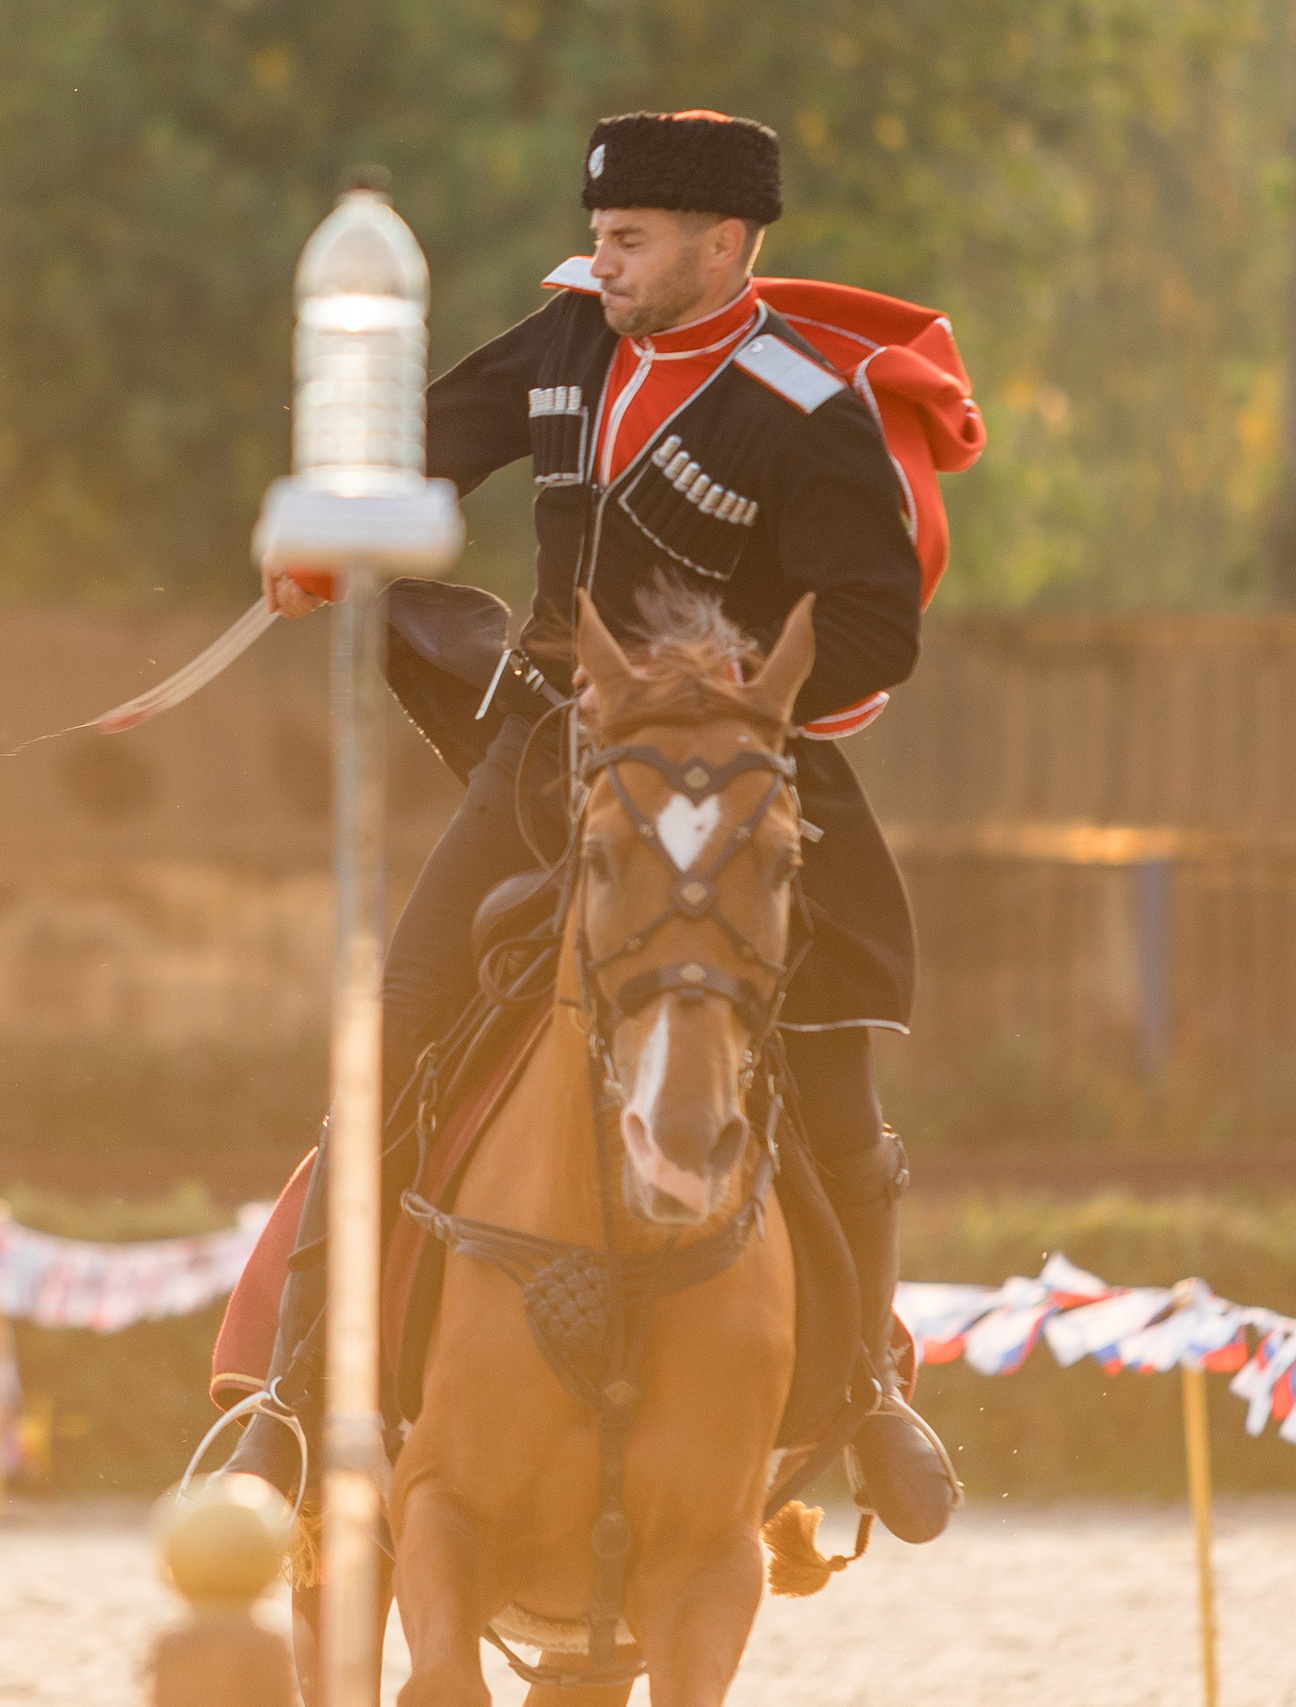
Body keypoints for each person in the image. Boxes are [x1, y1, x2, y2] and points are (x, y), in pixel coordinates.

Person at [224, 111, 959, 1542]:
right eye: (603, 235)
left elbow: (876, 628)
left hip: (746, 778)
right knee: (398, 1028)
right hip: (556, 761)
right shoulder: (568, 340)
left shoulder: (811, 408)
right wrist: (334, 528)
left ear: (724, 243)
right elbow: (425, 446)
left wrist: (715, 697)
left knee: (831, 1078)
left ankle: (864, 1390)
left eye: (629, 239)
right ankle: (299, 1407)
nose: (601, 259)